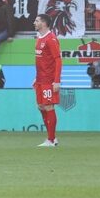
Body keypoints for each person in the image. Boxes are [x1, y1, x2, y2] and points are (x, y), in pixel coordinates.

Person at [33, 14, 62, 148]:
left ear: (44, 23)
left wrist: (56, 81)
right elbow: (42, 61)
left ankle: (50, 140)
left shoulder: (51, 39)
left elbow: (58, 60)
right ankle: (53, 137)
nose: (35, 22)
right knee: (41, 106)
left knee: (49, 106)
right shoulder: (39, 38)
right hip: (40, 79)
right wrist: (36, 77)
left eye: (37, 21)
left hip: (49, 80)